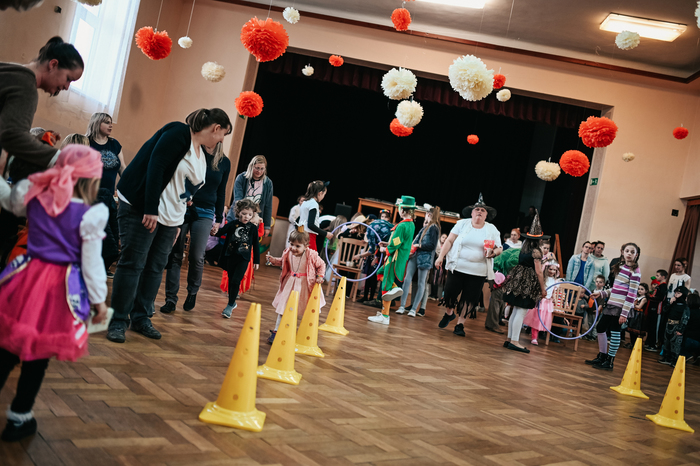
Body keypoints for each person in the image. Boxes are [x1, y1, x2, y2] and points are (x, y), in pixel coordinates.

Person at [0, 145, 108, 442]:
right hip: (56, 290)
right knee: (38, 356)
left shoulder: (34, 196)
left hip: (25, 279)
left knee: (7, 347)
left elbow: (10, 201)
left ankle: (20, 415)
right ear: (91, 179)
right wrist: (99, 301)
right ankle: (19, 417)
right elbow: (92, 263)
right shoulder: (90, 215)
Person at [106, 108, 232, 343]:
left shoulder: (201, 154)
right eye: (223, 134)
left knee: (156, 267)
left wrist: (177, 223)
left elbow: (184, 193)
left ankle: (141, 317)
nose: (221, 140)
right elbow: (156, 167)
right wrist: (150, 208)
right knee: (133, 264)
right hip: (142, 206)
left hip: (170, 217)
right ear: (216, 128)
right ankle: (118, 321)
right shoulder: (179, 132)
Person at [0, 37, 84, 266]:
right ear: (53, 64)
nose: (67, 87)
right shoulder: (25, 85)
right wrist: (58, 158)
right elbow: (12, 136)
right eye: (68, 79)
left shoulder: (11, 71)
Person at [161, 142, 231, 313]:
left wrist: (219, 218)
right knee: (175, 253)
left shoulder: (224, 162)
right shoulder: (193, 153)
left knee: (197, 255)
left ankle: (192, 292)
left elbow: (221, 191)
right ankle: (170, 298)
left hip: (206, 211)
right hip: (184, 206)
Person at [435, 194, 502, 336]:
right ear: (472, 213)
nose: (479, 212)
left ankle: (460, 325)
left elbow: (499, 248)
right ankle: (449, 314)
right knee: (449, 293)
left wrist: (493, 253)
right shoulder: (462, 224)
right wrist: (441, 257)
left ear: (486, 215)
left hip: (478, 271)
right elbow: (449, 241)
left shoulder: (491, 229)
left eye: (483, 210)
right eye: (477, 209)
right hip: (457, 267)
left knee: (469, 298)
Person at [585, 243, 641, 371]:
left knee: (615, 331)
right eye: (627, 251)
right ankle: (602, 356)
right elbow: (615, 289)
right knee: (601, 327)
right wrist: (602, 293)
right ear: (622, 252)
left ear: (636, 255)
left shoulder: (635, 272)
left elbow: (632, 294)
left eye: (632, 252)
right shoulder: (621, 267)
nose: (629, 254)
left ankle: (610, 361)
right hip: (612, 304)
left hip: (620, 307)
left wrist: (624, 313)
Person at [266, 230, 326, 344]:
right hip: (290, 284)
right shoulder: (287, 252)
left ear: (306, 246)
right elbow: (283, 262)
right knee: (283, 307)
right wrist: (274, 260)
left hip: (305, 285)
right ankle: (277, 331)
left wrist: (319, 276)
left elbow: (321, 265)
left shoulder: (311, 255)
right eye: (291, 244)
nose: (293, 248)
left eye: (298, 246)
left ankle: (303, 332)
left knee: (305, 309)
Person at [500, 212, 548, 353]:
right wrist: (542, 289)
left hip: (517, 280)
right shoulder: (536, 251)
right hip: (527, 283)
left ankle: (510, 339)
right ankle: (514, 341)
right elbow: (539, 272)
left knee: (516, 310)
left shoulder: (524, 248)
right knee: (521, 311)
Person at [368, 196, 417, 325]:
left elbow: (396, 243)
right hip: (399, 257)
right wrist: (387, 243)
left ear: (403, 210)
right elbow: (401, 241)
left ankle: (385, 315)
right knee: (381, 273)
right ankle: (395, 289)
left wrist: (384, 249)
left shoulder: (402, 226)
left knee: (386, 285)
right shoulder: (411, 224)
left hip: (393, 258)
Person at [214, 199, 260, 318]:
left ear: (253, 215)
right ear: (238, 212)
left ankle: (229, 305)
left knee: (236, 280)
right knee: (231, 280)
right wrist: (213, 231)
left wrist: (256, 261)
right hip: (230, 256)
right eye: (244, 213)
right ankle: (232, 301)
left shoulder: (253, 228)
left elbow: (256, 244)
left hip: (243, 258)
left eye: (249, 214)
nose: (246, 216)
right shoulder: (233, 224)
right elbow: (220, 232)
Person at [397, 206, 441, 317]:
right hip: (416, 255)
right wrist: (412, 248)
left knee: (421, 283)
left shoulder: (434, 228)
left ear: (429, 215)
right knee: (407, 279)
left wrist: (419, 245)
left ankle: (413, 309)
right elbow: (417, 240)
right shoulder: (426, 227)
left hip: (425, 258)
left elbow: (432, 245)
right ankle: (402, 306)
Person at [226, 155, 273, 236]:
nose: (259, 171)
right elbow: (238, 200)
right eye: (257, 168)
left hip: (254, 221)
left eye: (262, 169)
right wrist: (245, 216)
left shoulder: (268, 183)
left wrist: (266, 226)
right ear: (251, 166)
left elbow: (268, 205)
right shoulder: (241, 178)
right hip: (238, 218)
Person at [356, 213, 394, 304]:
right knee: (371, 273)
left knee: (374, 275)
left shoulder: (370, 229)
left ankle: (374, 299)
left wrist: (359, 256)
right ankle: (367, 297)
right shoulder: (375, 223)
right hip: (383, 248)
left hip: (384, 251)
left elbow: (371, 250)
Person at [86, 113, 127, 193]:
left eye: (111, 123)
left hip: (108, 195)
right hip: (88, 193)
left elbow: (122, 168)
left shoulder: (115, 144)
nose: (111, 126)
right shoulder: (86, 142)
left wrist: (129, 184)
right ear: (97, 123)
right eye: (107, 123)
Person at [523, 261, 561, 345]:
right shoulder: (542, 279)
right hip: (541, 302)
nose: (552, 271)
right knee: (537, 319)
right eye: (550, 269)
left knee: (544, 320)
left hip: (548, 303)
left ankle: (539, 336)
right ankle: (534, 337)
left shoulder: (555, 281)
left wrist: (554, 298)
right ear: (546, 268)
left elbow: (553, 291)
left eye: (554, 270)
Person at [297, 181, 333, 251]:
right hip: (309, 237)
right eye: (324, 194)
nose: (323, 197)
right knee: (311, 257)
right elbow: (311, 225)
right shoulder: (313, 204)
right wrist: (325, 233)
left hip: (301, 234)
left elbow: (298, 219)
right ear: (320, 193)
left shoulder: (305, 202)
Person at [658, 286, 690, 366]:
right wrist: (669, 303)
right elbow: (664, 310)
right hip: (668, 325)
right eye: (675, 293)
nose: (676, 295)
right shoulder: (673, 304)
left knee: (675, 345)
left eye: (678, 293)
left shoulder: (685, 307)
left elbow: (685, 318)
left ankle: (674, 360)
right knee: (666, 342)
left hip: (677, 326)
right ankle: (666, 357)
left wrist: (681, 329)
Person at [645, 269, 668, 351]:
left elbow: (660, 298)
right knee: (651, 327)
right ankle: (649, 343)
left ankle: (654, 344)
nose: (656, 277)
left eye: (658, 275)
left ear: (663, 277)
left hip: (658, 310)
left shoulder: (663, 286)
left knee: (655, 328)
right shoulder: (659, 286)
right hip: (653, 310)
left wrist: (651, 297)